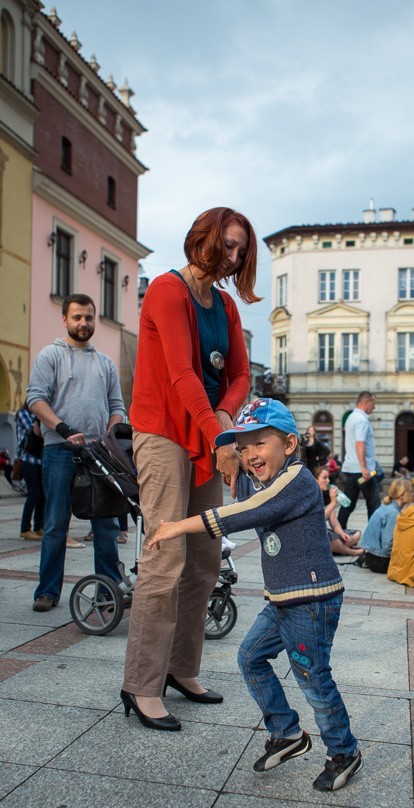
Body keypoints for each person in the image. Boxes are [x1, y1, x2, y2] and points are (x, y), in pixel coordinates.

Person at [145, 398, 363, 792]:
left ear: (290, 445)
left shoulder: (295, 482)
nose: (250, 455)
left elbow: (244, 512)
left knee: (313, 677)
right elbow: (233, 473)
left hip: (312, 600)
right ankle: (286, 732)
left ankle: (344, 751)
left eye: (259, 444)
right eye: (243, 448)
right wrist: (220, 449)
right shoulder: (259, 477)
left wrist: (178, 526)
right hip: (282, 599)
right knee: (251, 657)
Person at [121, 206, 254, 730]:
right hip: (163, 435)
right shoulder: (166, 292)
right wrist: (218, 430)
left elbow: (240, 373)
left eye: (242, 248)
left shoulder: (225, 305)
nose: (235, 256)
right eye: (228, 244)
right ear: (202, 239)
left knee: (203, 558)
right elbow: (179, 373)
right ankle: (141, 684)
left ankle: (182, 669)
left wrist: (223, 416)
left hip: (205, 435)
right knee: (165, 556)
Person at [26, 294, 124, 612]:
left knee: (106, 526)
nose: (83, 323)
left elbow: (117, 408)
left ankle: (106, 593)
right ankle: (47, 592)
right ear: (65, 320)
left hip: (98, 455)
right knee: (55, 523)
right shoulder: (49, 356)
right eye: (77, 317)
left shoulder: (105, 363)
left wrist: (109, 436)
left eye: (89, 317)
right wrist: (64, 429)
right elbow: (36, 400)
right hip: (59, 450)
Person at [337, 391, 381, 527]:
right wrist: (364, 467)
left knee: (347, 504)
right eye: (373, 404)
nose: (374, 407)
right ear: (366, 402)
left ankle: (337, 533)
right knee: (374, 505)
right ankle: (372, 542)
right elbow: (359, 443)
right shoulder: (362, 420)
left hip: (351, 468)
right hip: (362, 470)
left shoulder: (350, 417)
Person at [358, 477, 413, 572]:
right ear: (401, 495)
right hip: (379, 561)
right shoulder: (393, 513)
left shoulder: (388, 506)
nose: (412, 494)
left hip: (372, 557)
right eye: (410, 492)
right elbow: (387, 545)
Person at [313, 465, 364, 557]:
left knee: (357, 534)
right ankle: (350, 551)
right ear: (315, 480)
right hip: (315, 534)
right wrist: (333, 503)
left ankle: (337, 548)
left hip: (327, 534)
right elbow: (319, 519)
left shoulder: (327, 496)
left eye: (328, 478)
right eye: (324, 478)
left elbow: (334, 523)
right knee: (330, 538)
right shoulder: (311, 497)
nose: (328, 481)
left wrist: (341, 533)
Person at [15, 402, 45, 541]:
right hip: (28, 459)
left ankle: (39, 527)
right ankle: (25, 529)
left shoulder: (38, 416)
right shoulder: (23, 413)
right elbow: (34, 430)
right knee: (34, 493)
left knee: (42, 495)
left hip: (40, 459)